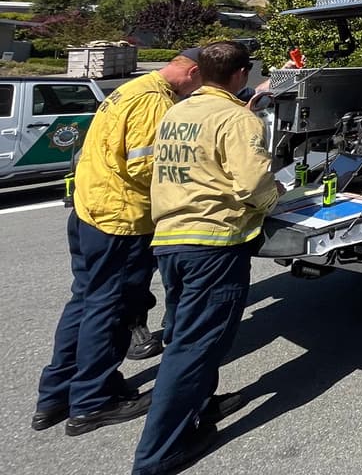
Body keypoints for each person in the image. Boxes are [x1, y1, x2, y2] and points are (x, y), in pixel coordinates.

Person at [33, 50, 203, 435]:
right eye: (200, 83)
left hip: (90, 209)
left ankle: (56, 394)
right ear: (191, 72)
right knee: (111, 308)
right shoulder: (154, 104)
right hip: (121, 219)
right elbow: (149, 167)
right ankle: (94, 401)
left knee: (86, 301)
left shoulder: (131, 89)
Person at [132, 41, 282, 475]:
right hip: (213, 245)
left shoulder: (176, 111)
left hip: (171, 240)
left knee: (182, 335)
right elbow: (254, 182)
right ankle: (160, 453)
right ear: (240, 76)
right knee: (197, 345)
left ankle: (198, 406)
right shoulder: (237, 117)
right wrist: (277, 199)